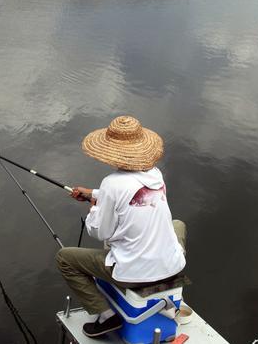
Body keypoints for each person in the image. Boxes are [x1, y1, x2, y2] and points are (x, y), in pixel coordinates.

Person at [56, 115, 187, 338]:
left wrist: (94, 209)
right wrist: (93, 194)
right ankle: (167, 280)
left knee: (65, 258)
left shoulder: (112, 183)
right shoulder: (156, 175)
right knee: (178, 225)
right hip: (173, 266)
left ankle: (106, 316)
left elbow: (100, 232)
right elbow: (134, 197)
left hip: (133, 273)